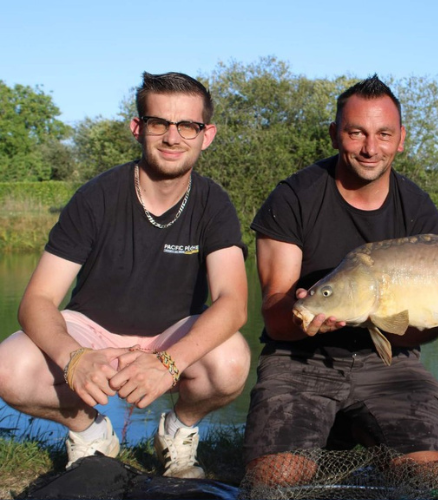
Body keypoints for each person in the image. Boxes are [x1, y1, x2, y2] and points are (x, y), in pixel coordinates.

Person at [243, 75, 438, 486]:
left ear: (400, 139)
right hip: (299, 362)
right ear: (334, 135)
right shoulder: (294, 197)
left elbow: (410, 338)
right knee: (276, 482)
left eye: (384, 134)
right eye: (356, 133)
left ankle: (348, 432)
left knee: (429, 480)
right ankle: (325, 431)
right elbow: (275, 316)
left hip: (389, 365)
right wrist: (301, 317)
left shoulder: (416, 207)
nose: (370, 148)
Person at [0, 72, 251, 479]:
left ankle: (179, 429)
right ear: (138, 128)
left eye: (188, 125)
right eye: (159, 123)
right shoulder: (95, 196)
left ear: (207, 135)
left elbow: (234, 303)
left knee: (232, 361)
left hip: (172, 337)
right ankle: (91, 430)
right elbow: (38, 301)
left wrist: (170, 363)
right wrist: (73, 357)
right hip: (92, 333)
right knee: (8, 367)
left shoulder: (214, 204)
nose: (173, 137)